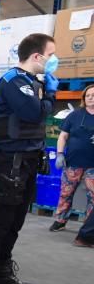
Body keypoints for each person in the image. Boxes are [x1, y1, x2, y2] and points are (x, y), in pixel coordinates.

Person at [0, 33, 58, 284]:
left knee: (16, 220)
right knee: (1, 220)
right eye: (51, 54)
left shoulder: (33, 82)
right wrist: (51, 93)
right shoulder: (14, 82)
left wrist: (46, 93)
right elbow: (35, 113)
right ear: (36, 56)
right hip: (10, 160)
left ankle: (2, 271)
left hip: (28, 159)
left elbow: (39, 112)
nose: (54, 60)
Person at [50, 84, 94, 232]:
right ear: (84, 98)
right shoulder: (74, 115)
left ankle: (89, 227)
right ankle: (60, 220)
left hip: (93, 166)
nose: (90, 98)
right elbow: (62, 136)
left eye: (93, 95)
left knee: (93, 197)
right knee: (66, 192)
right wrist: (60, 154)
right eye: (88, 95)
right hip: (73, 163)